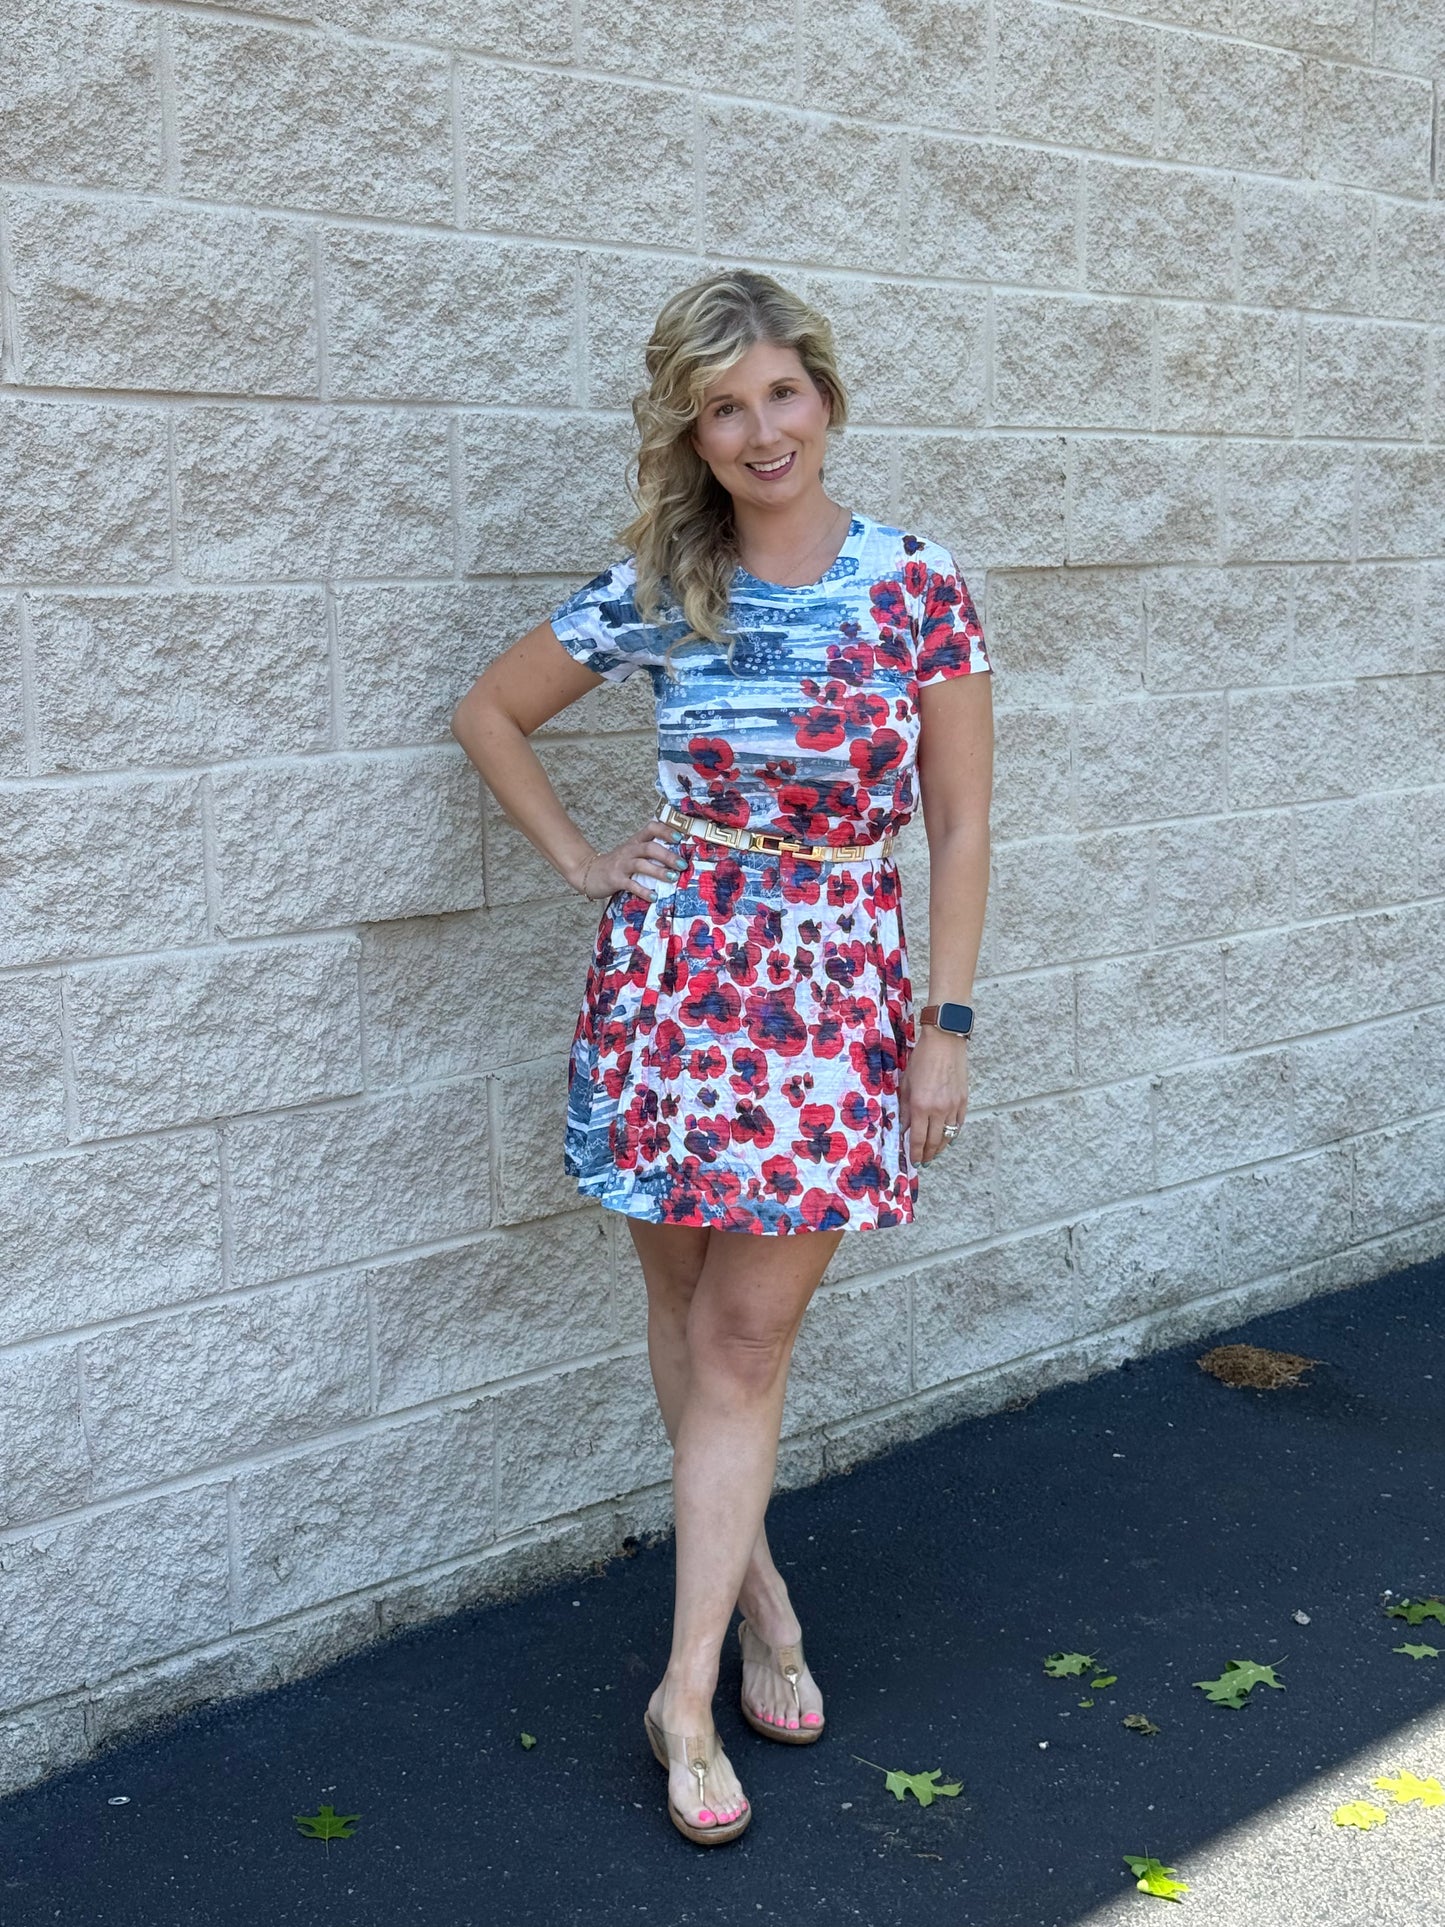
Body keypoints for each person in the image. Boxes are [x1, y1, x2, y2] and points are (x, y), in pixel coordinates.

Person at [450, 269, 993, 1846]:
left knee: (748, 1336)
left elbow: (956, 824)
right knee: (681, 1309)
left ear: (821, 394)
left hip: (832, 991)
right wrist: (576, 861)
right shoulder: (658, 581)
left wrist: (938, 1030)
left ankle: (680, 1693)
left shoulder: (914, 584)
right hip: (674, 975)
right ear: (690, 433)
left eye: (779, 393)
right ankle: (755, 1600)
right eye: (722, 406)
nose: (760, 429)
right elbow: (491, 710)